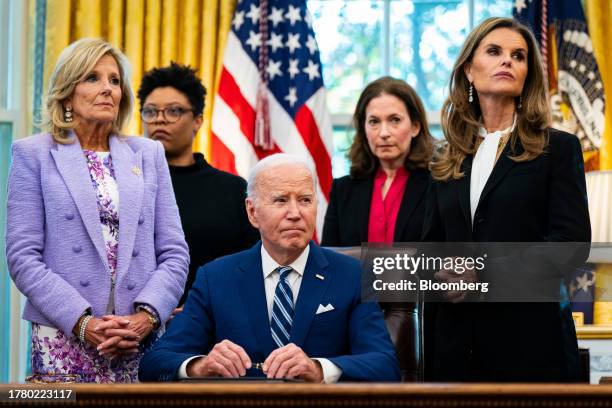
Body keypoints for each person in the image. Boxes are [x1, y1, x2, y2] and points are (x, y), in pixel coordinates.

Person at [5, 38, 189, 383]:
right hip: (63, 334)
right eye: (93, 78)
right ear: (67, 92)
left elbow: (175, 252)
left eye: (114, 81)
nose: (107, 89)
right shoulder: (33, 154)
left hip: (137, 338)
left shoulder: (148, 154)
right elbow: (22, 257)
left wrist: (146, 317)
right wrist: (82, 322)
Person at [423, 17, 591, 382]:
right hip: (454, 347)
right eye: (494, 52)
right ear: (469, 69)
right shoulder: (445, 155)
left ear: (528, 74)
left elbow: (570, 245)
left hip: (529, 343)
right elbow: (430, 247)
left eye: (518, 56)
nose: (507, 61)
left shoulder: (558, 149)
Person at [138, 154, 400, 382]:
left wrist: (319, 369)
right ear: (253, 212)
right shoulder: (215, 278)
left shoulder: (352, 275)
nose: (295, 213)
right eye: (281, 200)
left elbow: (385, 365)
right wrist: (199, 365)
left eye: (305, 200)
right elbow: (155, 362)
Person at [321, 77, 433, 380]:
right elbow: (329, 261)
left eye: (394, 120)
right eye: (374, 122)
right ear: (363, 128)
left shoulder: (439, 185)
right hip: (350, 326)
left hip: (425, 329)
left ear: (416, 126)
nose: (383, 132)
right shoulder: (344, 189)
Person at [138, 63, 259, 305]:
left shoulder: (232, 190)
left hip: (215, 322)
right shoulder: (124, 185)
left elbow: (252, 267)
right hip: (134, 322)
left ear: (197, 120)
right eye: (150, 111)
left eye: (173, 111)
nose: (159, 120)